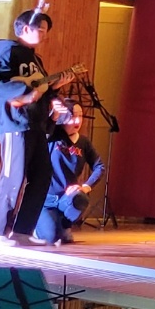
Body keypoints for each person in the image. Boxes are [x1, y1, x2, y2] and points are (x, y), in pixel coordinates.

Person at [0, 1, 71, 250]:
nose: (43, 34)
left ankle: (21, 232)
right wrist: (24, 93)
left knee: (42, 176)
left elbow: (40, 89)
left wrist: (53, 95)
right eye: (39, 29)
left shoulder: (35, 59)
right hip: (14, 124)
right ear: (24, 29)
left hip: (35, 124)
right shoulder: (9, 53)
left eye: (45, 31)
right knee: (13, 176)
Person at [36, 99, 105, 245]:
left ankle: (65, 225)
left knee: (81, 199)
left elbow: (99, 166)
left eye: (80, 115)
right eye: (73, 116)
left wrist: (86, 186)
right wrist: (54, 114)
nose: (78, 120)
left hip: (66, 199)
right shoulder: (51, 135)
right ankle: (38, 228)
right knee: (50, 238)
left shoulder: (83, 142)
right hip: (46, 200)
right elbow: (42, 130)